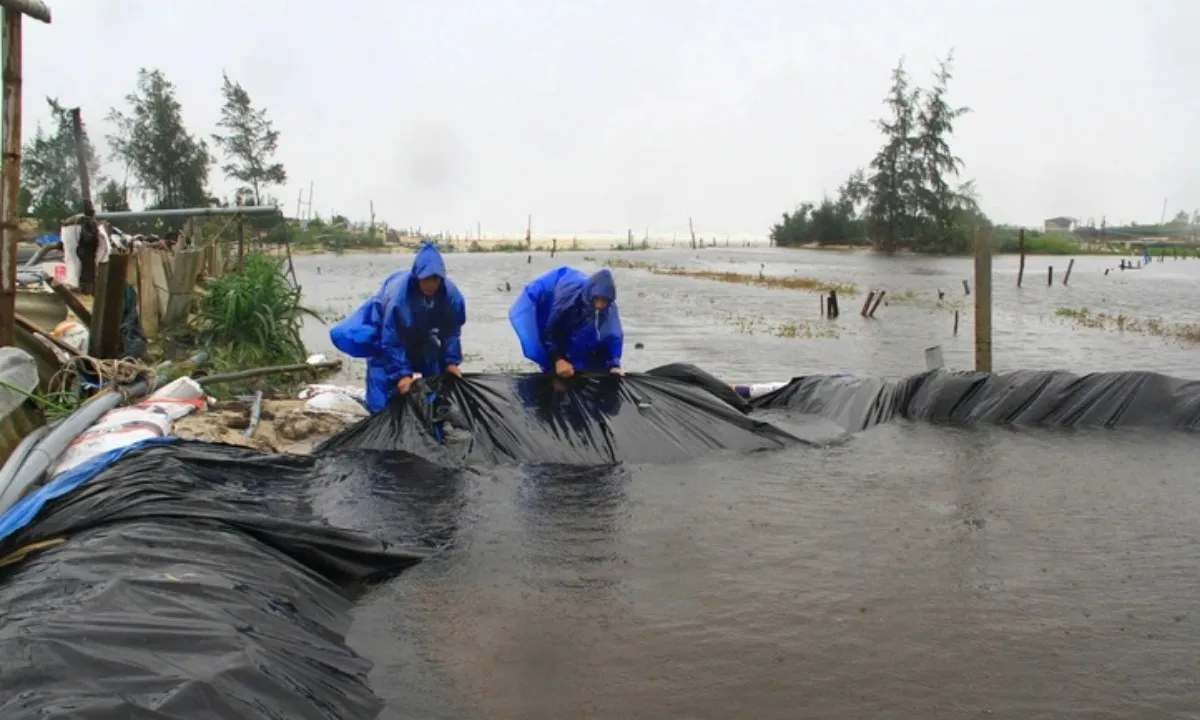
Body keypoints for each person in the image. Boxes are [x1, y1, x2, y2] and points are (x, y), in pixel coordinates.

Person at [330, 241, 466, 413]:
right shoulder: (399, 300)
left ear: (441, 278)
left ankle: (433, 410)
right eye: (425, 279)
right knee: (381, 384)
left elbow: (451, 331)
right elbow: (391, 339)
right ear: (417, 277)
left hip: (420, 335)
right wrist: (402, 374)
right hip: (386, 337)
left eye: (435, 279)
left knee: (435, 364)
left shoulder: (451, 297)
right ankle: (380, 418)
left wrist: (451, 361)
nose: (430, 284)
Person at [509, 266, 624, 378]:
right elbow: (549, 333)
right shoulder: (568, 302)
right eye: (597, 300)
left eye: (604, 301)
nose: (600, 305)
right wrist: (557, 359)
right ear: (591, 295)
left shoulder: (609, 308)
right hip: (550, 296)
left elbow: (613, 336)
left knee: (592, 363)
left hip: (579, 313)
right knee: (559, 367)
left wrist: (614, 365)